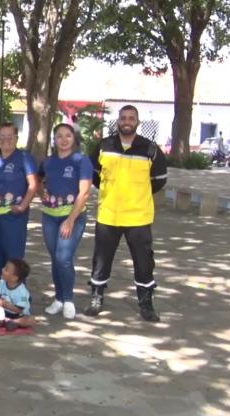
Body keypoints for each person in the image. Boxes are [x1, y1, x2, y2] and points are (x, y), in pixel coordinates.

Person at [86, 105, 167, 322]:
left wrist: (136, 195)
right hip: (108, 214)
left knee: (144, 263)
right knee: (101, 260)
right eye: (123, 118)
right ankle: (96, 297)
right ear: (118, 121)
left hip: (138, 216)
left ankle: (146, 303)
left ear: (137, 122)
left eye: (131, 118)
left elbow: (159, 180)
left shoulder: (150, 149)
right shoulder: (104, 146)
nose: (127, 121)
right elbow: (93, 175)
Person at [38, 124, 93, 319]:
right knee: (55, 258)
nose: (63, 140)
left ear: (74, 138)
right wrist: (41, 191)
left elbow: (84, 192)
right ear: (54, 140)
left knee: (64, 258)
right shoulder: (49, 161)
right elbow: (38, 179)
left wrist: (70, 220)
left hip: (73, 216)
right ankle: (59, 298)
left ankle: (69, 299)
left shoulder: (81, 161)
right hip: (49, 215)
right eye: (59, 136)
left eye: (67, 136)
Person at [0, 122, 38, 281]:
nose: (6, 139)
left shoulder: (24, 158)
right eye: (2, 136)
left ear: (16, 138)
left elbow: (33, 185)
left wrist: (22, 206)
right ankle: (1, 293)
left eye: (10, 136)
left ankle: (18, 296)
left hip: (13, 216)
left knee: (14, 258)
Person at [0, 259, 34, 330]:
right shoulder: (2, 282)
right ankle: (2, 320)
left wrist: (5, 304)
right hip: (2, 311)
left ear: (14, 278)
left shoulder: (23, 293)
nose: (3, 269)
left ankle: (11, 322)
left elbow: (19, 310)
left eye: (6, 269)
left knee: (30, 320)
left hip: (18, 315)